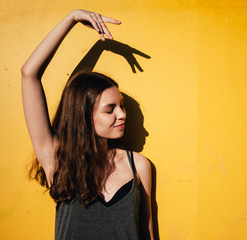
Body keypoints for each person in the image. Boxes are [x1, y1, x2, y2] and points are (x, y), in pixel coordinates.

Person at [21, 9, 154, 240]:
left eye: (121, 106)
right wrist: (72, 18)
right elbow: (29, 74)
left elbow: (148, 235)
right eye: (110, 109)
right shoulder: (57, 160)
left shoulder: (139, 166)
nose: (122, 115)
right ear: (83, 115)